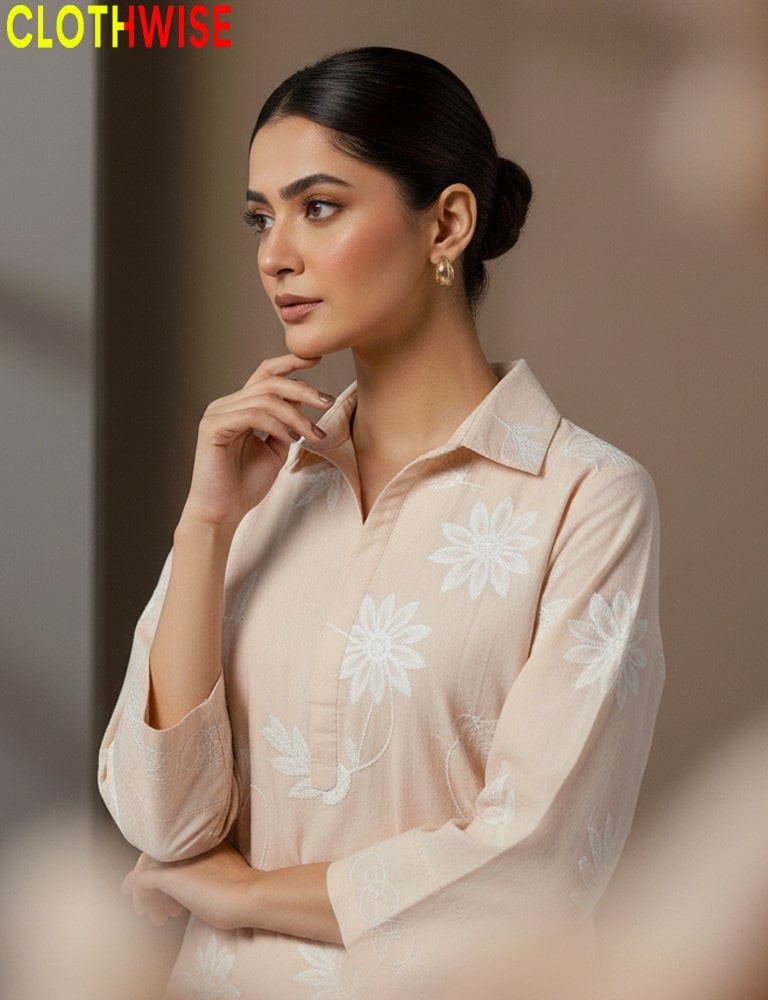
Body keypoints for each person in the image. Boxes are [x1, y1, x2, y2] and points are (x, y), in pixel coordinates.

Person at [99, 46, 664, 999]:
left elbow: (533, 873)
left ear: (446, 222)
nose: (276, 252)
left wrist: (241, 895)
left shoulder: (583, 497)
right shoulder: (258, 483)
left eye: (318, 207)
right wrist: (205, 526)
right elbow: (163, 825)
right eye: (259, 217)